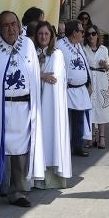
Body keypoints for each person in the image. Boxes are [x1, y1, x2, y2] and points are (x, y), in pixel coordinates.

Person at [0, 11, 43, 206]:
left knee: (20, 150)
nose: (11, 29)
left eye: (14, 24)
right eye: (5, 25)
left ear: (20, 26)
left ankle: (17, 191)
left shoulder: (27, 45)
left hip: (22, 106)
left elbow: (34, 77)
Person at [31, 19, 74, 189]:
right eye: (40, 33)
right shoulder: (31, 52)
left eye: (46, 34)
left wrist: (41, 76)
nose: (43, 37)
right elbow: (31, 75)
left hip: (50, 105)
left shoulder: (57, 54)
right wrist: (40, 75)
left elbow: (55, 78)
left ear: (52, 36)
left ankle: (51, 177)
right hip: (35, 103)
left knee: (50, 136)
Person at [58, 19, 94, 155]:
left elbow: (84, 64)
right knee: (65, 120)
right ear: (74, 33)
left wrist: (89, 81)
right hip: (67, 90)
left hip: (80, 89)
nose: (83, 34)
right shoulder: (60, 46)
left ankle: (77, 146)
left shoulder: (78, 45)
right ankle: (63, 147)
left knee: (79, 119)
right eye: (81, 31)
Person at [84, 25, 109, 148]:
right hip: (90, 81)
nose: (91, 36)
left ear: (97, 35)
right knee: (89, 107)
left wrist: (105, 65)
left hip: (101, 81)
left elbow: (108, 67)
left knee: (101, 108)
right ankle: (90, 137)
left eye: (93, 34)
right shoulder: (84, 49)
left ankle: (101, 137)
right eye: (89, 34)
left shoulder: (103, 49)